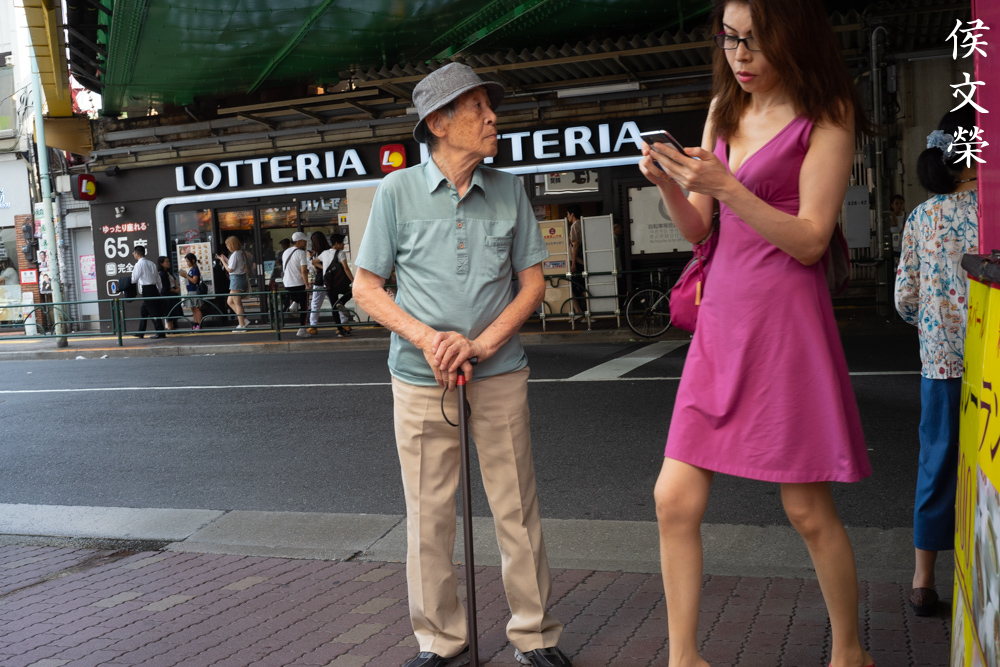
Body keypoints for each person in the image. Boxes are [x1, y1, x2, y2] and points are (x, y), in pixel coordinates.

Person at [638, 1, 874, 665]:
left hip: (786, 324)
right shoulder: (724, 109)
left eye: (755, 41)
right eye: (730, 39)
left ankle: (850, 652)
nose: (740, 56)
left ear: (793, 39)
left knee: (806, 509)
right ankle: (684, 658)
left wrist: (729, 186)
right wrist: (670, 184)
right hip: (722, 320)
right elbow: (700, 229)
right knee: (673, 499)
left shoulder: (827, 113)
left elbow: (811, 240)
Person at [353, 62, 570, 667]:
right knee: (428, 515)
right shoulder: (396, 192)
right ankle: (439, 641)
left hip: (498, 372)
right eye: (478, 108)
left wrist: (479, 345)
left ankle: (534, 635)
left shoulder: (508, 189)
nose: (493, 118)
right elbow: (367, 288)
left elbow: (532, 284)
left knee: (516, 507)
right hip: (420, 377)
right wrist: (430, 340)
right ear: (439, 123)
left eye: (489, 107)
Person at [894, 106, 979, 618]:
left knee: (938, 462)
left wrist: (933, 324)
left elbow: (905, 297)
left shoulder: (922, 218)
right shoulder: (993, 212)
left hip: (941, 364)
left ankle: (923, 580)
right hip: (994, 361)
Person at [317, 232, 355, 338]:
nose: (343, 245)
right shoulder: (340, 253)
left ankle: (340, 330)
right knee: (352, 291)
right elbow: (346, 268)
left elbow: (314, 262)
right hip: (340, 283)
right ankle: (341, 302)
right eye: (342, 243)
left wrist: (324, 268)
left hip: (329, 284)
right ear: (337, 243)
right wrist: (353, 281)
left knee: (333, 306)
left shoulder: (324, 253)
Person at [130, 245, 164, 339]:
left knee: (153, 312)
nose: (134, 255)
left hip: (147, 290)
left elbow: (134, 279)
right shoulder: (151, 263)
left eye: (134, 253)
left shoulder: (139, 264)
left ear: (137, 254)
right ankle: (141, 332)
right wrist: (159, 290)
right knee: (144, 311)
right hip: (154, 289)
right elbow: (158, 278)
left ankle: (160, 332)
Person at [216, 236, 249, 332]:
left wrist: (222, 261)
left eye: (228, 245)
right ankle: (243, 320)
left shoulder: (235, 254)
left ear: (232, 244)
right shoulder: (240, 253)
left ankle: (242, 325)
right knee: (230, 301)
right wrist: (225, 259)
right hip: (240, 278)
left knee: (237, 303)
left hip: (236, 280)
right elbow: (234, 264)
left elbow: (230, 269)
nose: (227, 247)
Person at [281, 231, 311, 338]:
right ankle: (302, 329)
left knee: (295, 296)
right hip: (298, 283)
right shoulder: (301, 253)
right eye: (304, 241)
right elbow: (303, 271)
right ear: (298, 242)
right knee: (304, 307)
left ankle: (294, 303)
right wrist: (307, 285)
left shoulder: (285, 252)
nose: (305, 243)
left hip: (287, 283)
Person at [306, 231, 333, 335]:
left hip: (320, 280)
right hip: (329, 280)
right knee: (334, 302)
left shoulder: (318, 253)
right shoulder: (329, 251)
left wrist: (310, 258)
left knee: (315, 303)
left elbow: (316, 269)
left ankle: (313, 326)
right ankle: (344, 323)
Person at [566, 205, 586, 320]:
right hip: (583, 260)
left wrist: (573, 263)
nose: (567, 217)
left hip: (578, 261)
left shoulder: (575, 225)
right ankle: (582, 312)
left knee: (579, 287)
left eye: (567, 214)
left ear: (572, 214)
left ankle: (587, 313)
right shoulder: (583, 223)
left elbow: (575, 245)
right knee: (579, 286)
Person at [157, 256, 181, 330]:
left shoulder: (168, 272)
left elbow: (174, 280)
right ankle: (169, 328)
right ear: (161, 263)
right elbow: (166, 287)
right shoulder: (162, 274)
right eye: (166, 262)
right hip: (168, 295)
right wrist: (175, 290)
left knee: (173, 313)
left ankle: (171, 328)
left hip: (172, 294)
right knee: (170, 313)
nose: (169, 263)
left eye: (168, 261)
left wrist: (177, 287)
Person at [181, 253, 204, 330]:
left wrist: (186, 276)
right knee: (193, 308)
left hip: (194, 290)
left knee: (196, 308)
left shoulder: (195, 269)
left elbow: (194, 281)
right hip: (190, 290)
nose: (187, 263)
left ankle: (199, 324)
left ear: (193, 260)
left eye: (188, 261)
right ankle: (195, 322)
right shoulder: (192, 269)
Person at [889, 194, 906, 259]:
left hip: (905, 248)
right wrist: (893, 214)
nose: (899, 205)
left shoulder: (907, 215)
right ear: (892, 205)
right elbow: (894, 224)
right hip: (893, 248)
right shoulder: (889, 217)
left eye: (901, 203)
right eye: (896, 203)